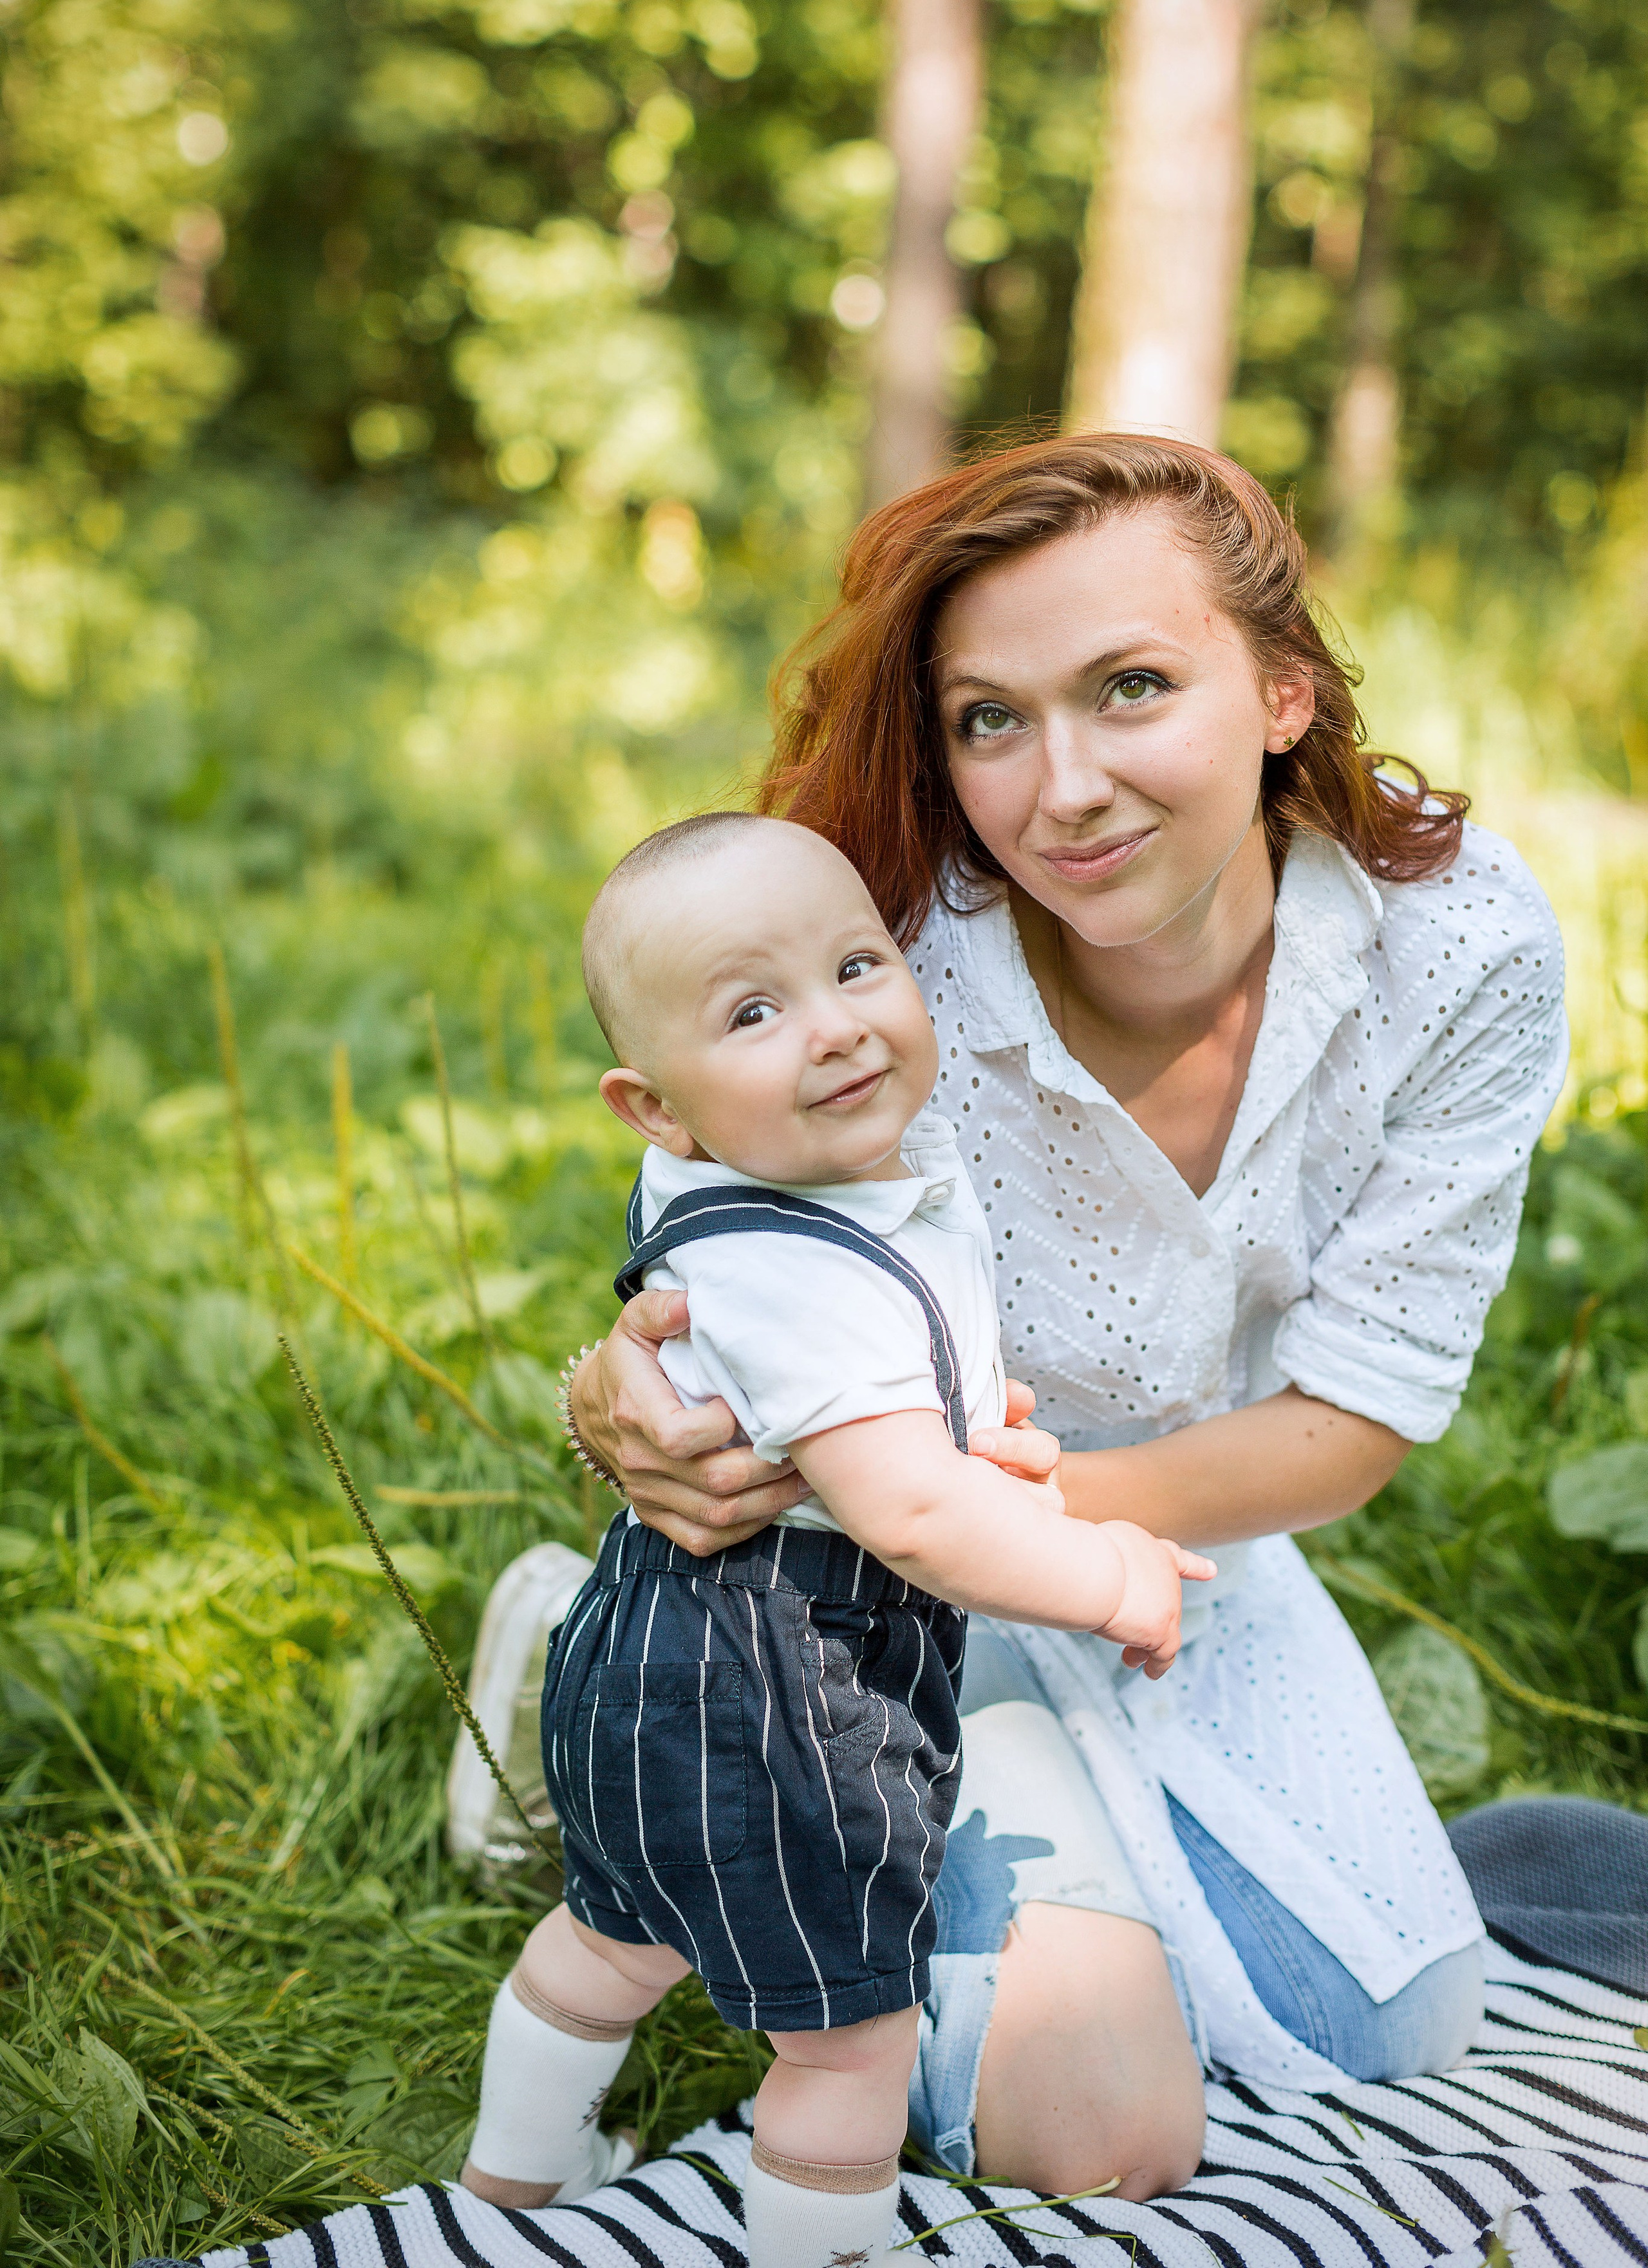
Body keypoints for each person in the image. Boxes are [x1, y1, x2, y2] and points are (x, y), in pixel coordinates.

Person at [561, 434, 1570, 2201]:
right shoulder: (876, 962)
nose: (1066, 789)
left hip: (1173, 1532)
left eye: (1131, 688)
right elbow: (693, 1228)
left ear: (1281, 690)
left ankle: (1030, 1809)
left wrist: (1043, 1535)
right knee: (1101, 2136)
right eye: (991, 720)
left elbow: (1355, 1420)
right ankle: (632, 1697)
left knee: (1384, 2021)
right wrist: (615, 1397)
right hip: (852, 1585)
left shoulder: (1457, 946)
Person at [460, 811, 1211, 2268]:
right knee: (848, 2042)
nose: (836, 1027)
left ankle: (511, 2186)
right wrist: (1106, 1573)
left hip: (645, 1650)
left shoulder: (734, 1188)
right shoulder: (810, 1274)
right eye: (754, 1013)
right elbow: (911, 1514)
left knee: (612, 1939)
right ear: (654, 1107)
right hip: (788, 1690)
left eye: (858, 967)